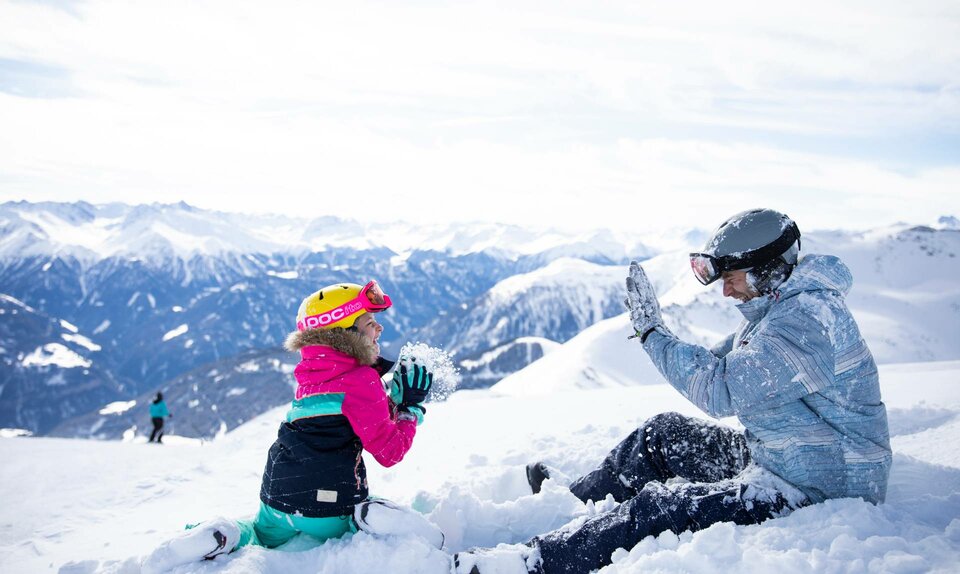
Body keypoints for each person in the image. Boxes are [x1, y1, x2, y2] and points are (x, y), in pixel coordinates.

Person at [454, 208, 892, 574]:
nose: (725, 290)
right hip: (787, 454)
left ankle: (531, 564)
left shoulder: (805, 323)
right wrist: (662, 339)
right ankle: (569, 504)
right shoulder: (783, 309)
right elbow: (724, 364)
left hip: (824, 484)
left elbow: (720, 390)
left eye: (732, 275)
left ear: (767, 270)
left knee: (662, 507)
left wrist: (652, 334)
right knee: (661, 436)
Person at [142, 280, 442, 574]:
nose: (380, 328)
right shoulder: (363, 380)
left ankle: (224, 534)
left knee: (257, 532)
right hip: (330, 505)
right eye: (369, 322)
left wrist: (388, 402)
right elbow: (390, 451)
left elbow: (342, 414)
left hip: (277, 497)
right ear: (344, 332)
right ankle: (372, 518)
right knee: (355, 525)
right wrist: (408, 409)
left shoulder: (310, 374)